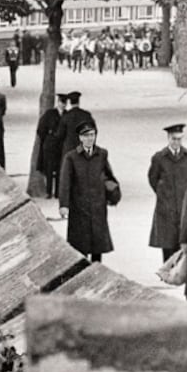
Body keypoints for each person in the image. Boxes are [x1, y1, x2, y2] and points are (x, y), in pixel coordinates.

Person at [59, 122, 118, 263]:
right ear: (80, 138)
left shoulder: (102, 154)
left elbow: (109, 176)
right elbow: (65, 183)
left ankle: (97, 269)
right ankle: (83, 270)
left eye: (92, 135)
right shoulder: (71, 157)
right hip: (79, 207)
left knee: (98, 245)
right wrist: (64, 205)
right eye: (86, 136)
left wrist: (113, 194)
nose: (90, 138)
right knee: (80, 244)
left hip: (98, 206)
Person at [148, 123, 187, 261]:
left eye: (179, 139)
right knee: (168, 249)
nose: (176, 142)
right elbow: (153, 178)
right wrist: (163, 194)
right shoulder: (159, 158)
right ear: (168, 138)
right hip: (166, 210)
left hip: (184, 209)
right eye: (174, 139)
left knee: (183, 250)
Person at [36, 93, 67, 198]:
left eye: (64, 103)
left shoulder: (67, 114)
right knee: (49, 169)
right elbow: (41, 129)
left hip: (61, 145)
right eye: (61, 102)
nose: (63, 105)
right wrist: (47, 138)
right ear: (58, 102)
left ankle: (57, 192)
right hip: (50, 145)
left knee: (59, 168)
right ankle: (48, 192)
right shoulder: (50, 113)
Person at [57, 91, 96, 157]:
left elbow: (60, 135)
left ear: (70, 102)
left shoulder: (66, 116)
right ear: (78, 102)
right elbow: (94, 131)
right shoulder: (86, 115)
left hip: (68, 150)